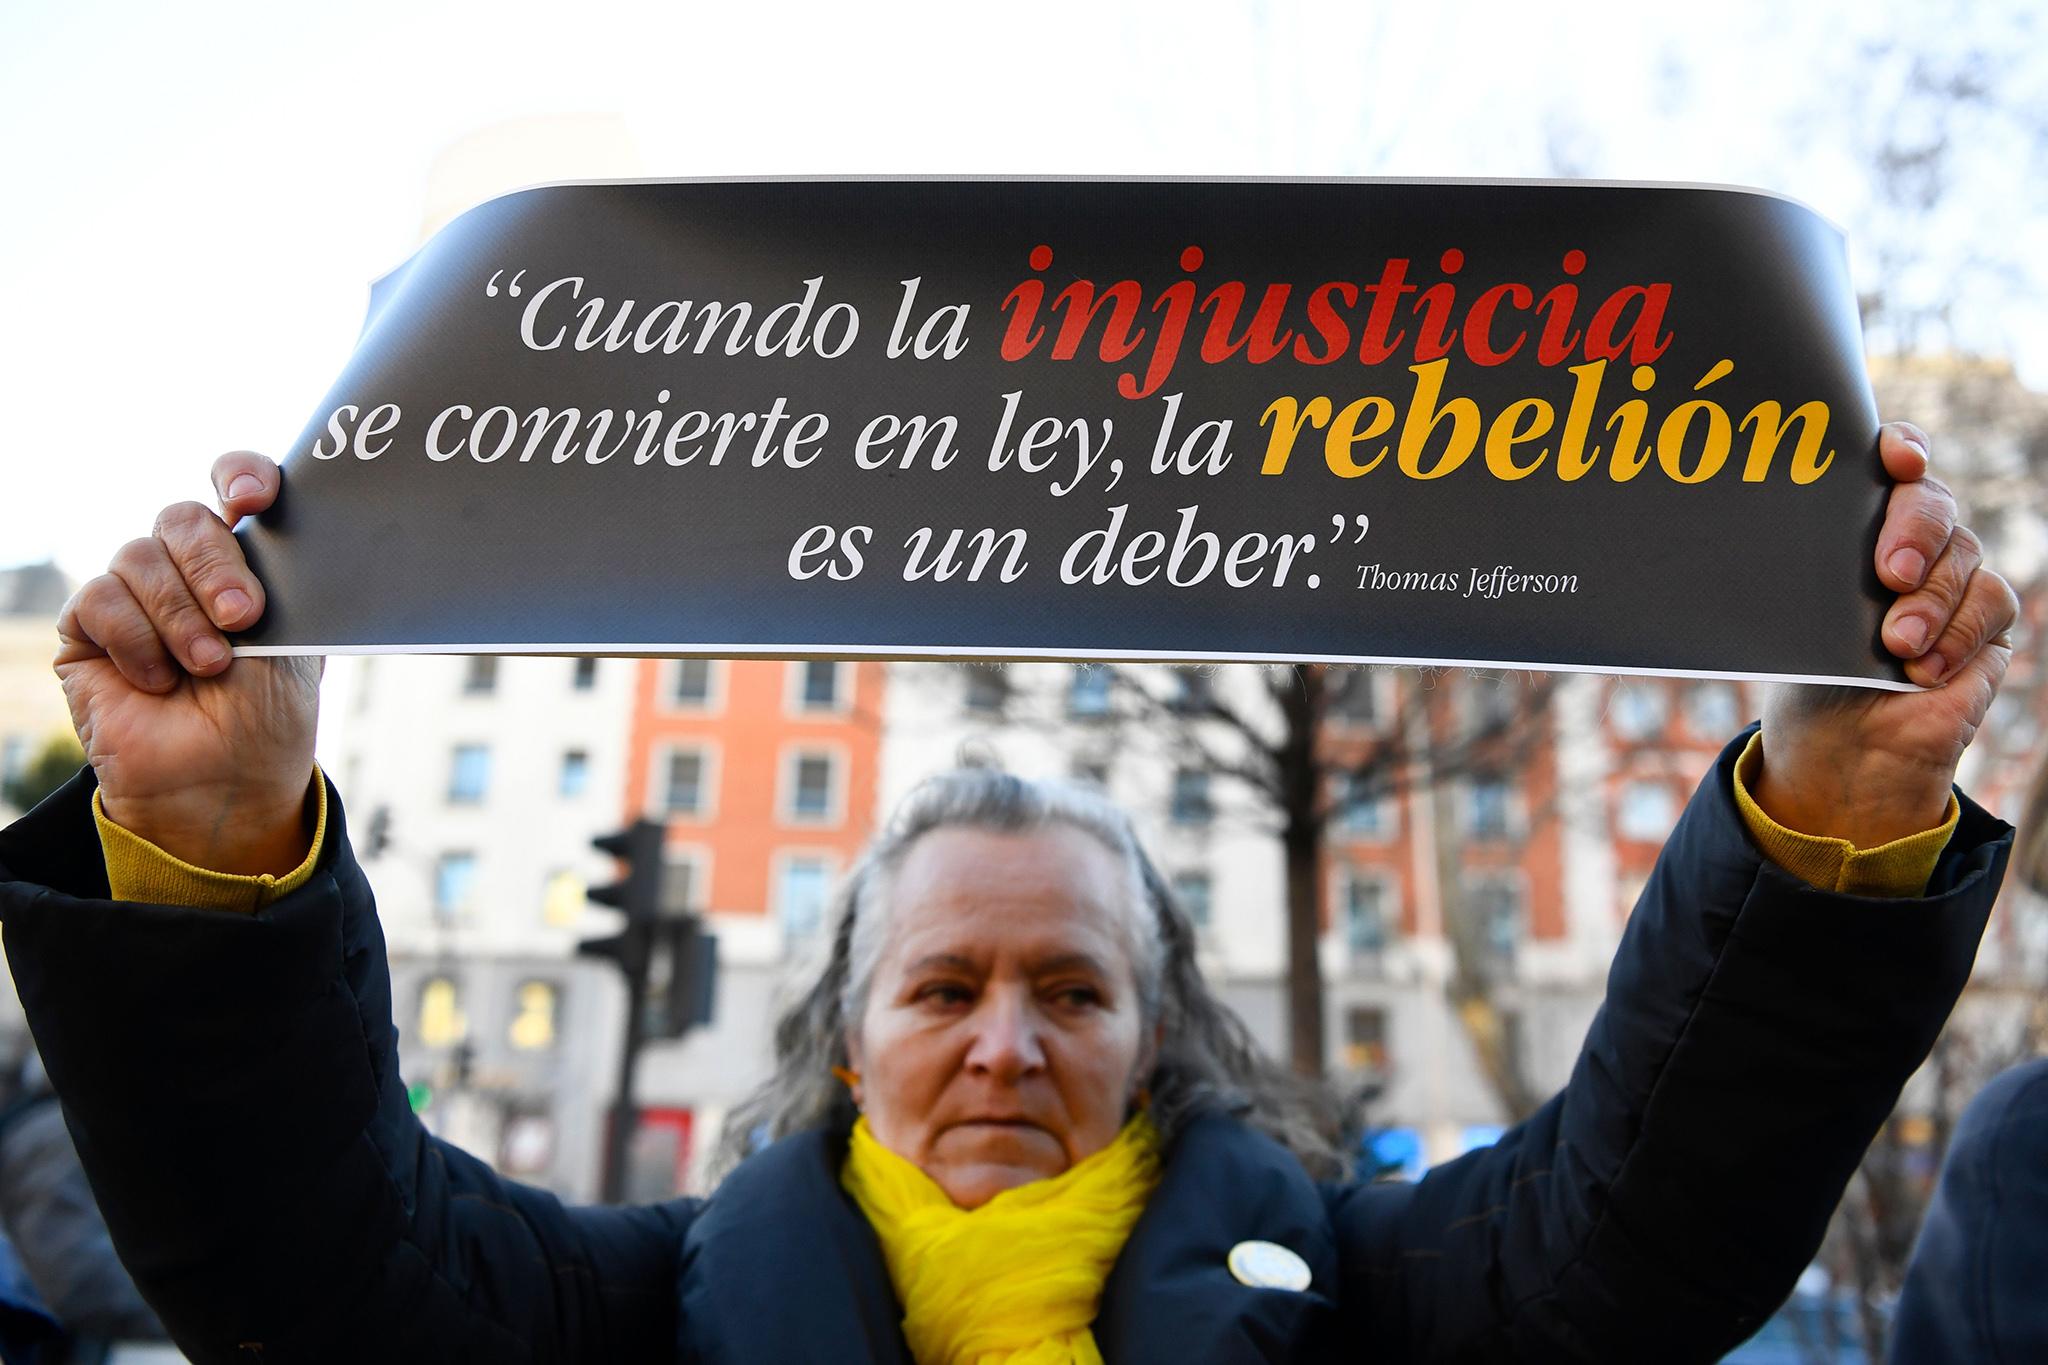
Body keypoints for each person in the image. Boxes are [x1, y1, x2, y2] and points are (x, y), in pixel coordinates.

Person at [0, 424, 2017, 1364]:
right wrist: (210, 842)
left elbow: (1642, 1224)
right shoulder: (614, 1315)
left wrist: (1833, 797)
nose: (1004, 1034)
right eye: (941, 981)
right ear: (845, 1031)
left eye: (1070, 981)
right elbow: (308, 1265)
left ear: (1157, 1037)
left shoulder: (1378, 1297)